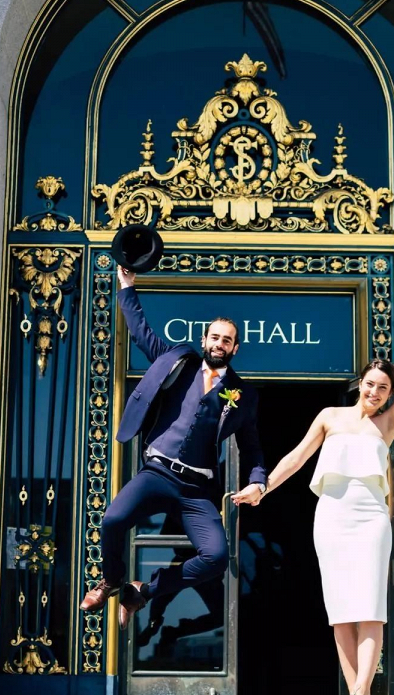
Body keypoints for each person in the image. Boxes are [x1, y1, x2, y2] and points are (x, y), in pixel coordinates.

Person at [233, 321, 394, 695]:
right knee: (341, 611)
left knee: (369, 608)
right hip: (331, 519)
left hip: (370, 520)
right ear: (360, 383)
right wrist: (260, 488)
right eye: (371, 384)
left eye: (383, 387)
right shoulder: (330, 416)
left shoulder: (388, 423)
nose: (375, 392)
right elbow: (296, 459)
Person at [80, 267, 266, 629]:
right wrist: (127, 287)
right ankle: (112, 581)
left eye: (227, 340)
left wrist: (258, 481)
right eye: (214, 337)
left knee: (215, 557)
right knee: (112, 521)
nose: (219, 344)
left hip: (197, 488)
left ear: (235, 347)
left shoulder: (243, 395)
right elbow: (141, 333)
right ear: (205, 339)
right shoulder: (178, 364)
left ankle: (144, 591)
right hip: (158, 472)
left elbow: (253, 448)